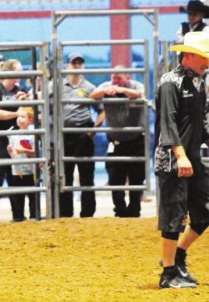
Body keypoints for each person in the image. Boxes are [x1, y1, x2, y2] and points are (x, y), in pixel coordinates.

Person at [154, 31, 209, 289]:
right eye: (203, 58)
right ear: (188, 56)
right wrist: (180, 155)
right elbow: (168, 122)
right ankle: (168, 274)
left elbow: (201, 123)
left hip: (192, 158)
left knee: (204, 211)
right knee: (174, 216)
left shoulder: (199, 83)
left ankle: (178, 256)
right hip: (173, 159)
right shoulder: (170, 83)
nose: (206, 63)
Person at [89, 65, 145, 218]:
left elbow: (140, 93)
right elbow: (92, 95)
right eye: (113, 77)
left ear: (127, 78)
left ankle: (134, 210)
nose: (115, 81)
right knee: (115, 177)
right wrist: (105, 91)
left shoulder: (135, 85)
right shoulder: (107, 86)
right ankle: (119, 210)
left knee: (137, 177)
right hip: (115, 141)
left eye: (119, 78)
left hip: (136, 139)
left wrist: (123, 91)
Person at [59, 52, 103, 218]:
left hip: (83, 133)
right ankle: (65, 213)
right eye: (74, 63)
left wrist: (92, 130)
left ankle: (88, 212)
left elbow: (102, 111)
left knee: (86, 175)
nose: (77, 66)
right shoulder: (57, 86)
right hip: (64, 133)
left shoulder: (90, 87)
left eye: (79, 63)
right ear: (67, 66)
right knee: (65, 175)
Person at [0, 59, 30, 222]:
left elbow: (26, 110)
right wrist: (16, 112)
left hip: (15, 137)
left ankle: (18, 215)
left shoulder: (19, 90)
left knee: (16, 176)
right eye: (17, 70)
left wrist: (24, 101)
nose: (20, 74)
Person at [7, 107, 38, 221]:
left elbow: (37, 152)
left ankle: (34, 216)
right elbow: (13, 152)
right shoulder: (14, 134)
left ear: (30, 120)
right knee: (18, 195)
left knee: (32, 194)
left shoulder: (33, 134)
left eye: (22, 117)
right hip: (17, 169)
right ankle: (18, 216)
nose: (19, 119)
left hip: (30, 169)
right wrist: (10, 150)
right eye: (18, 117)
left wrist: (25, 151)